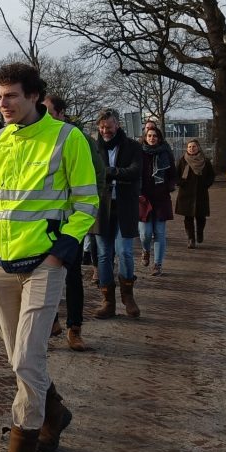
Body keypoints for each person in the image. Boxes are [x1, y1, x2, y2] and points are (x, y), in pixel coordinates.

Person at [0, 63, 98, 452]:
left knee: (27, 357)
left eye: (10, 96)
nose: (2, 104)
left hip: (45, 264)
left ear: (35, 96)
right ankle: (55, 412)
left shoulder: (69, 139)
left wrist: (61, 250)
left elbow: (86, 203)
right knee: (16, 357)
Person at [43, 94, 105, 351]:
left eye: (46, 111)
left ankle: (74, 328)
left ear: (60, 113)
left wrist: (84, 214)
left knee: (72, 278)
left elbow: (98, 176)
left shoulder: (80, 140)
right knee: (45, 277)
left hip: (71, 223)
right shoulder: (39, 140)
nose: (41, 114)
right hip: (43, 225)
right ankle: (51, 322)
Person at [94, 109, 143, 319]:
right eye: (102, 127)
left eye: (109, 126)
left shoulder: (132, 146)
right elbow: (91, 173)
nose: (106, 131)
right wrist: (115, 175)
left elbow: (135, 171)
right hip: (101, 208)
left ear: (118, 125)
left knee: (124, 252)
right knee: (104, 254)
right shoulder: (93, 148)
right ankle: (108, 300)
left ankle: (128, 295)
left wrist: (112, 172)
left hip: (125, 206)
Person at [138, 124, 176, 276]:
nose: (152, 138)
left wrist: (170, 186)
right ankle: (146, 250)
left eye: (154, 136)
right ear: (145, 138)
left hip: (161, 198)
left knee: (159, 233)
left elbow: (173, 173)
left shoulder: (166, 152)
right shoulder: (139, 153)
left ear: (159, 138)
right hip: (143, 198)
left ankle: (158, 265)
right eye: (149, 136)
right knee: (145, 234)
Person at [174, 139, 215, 248]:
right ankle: (191, 238)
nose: (192, 149)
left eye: (194, 147)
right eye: (189, 147)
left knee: (201, 217)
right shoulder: (182, 160)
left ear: (198, 148)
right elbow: (176, 175)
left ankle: (200, 232)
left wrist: (206, 184)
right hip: (186, 193)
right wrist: (180, 183)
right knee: (188, 218)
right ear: (187, 148)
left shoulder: (205, 161)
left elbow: (211, 176)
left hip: (201, 193)